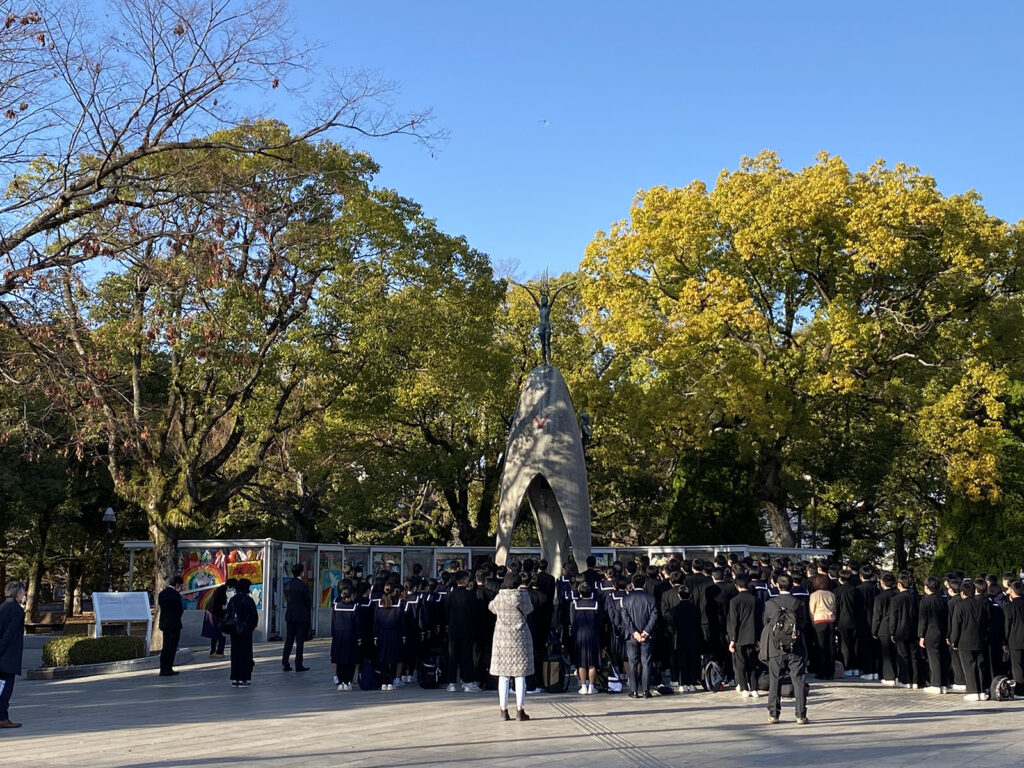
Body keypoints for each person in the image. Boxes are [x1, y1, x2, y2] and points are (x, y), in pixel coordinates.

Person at [760, 573, 809, 725]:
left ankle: (774, 714)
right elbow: (803, 623)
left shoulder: (770, 604)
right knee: (798, 679)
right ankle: (800, 715)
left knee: (775, 679)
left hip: (776, 647)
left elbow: (765, 622)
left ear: (777, 585)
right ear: (792, 586)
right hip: (795, 646)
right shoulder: (798, 603)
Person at [488, 572, 535, 721]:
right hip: (520, 638)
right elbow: (530, 609)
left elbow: (491, 607)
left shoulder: (499, 596)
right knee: (520, 675)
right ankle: (520, 710)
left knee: (503, 676)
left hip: (502, 638)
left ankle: (503, 710)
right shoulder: (523, 595)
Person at [949, 579, 990, 701]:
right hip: (980, 640)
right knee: (980, 666)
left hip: (965, 641)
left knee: (969, 667)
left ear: (962, 593)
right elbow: (987, 622)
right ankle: (982, 691)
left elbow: (956, 625)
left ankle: (973, 691)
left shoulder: (960, 605)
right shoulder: (981, 604)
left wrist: (953, 640)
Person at [622, 573, 657, 698]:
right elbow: (654, 615)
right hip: (646, 635)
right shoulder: (650, 598)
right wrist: (646, 631)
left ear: (632, 584)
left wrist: (634, 632)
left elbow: (625, 616)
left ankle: (634, 690)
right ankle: (646, 690)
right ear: (644, 584)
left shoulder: (627, 598)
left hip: (632, 636)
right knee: (646, 662)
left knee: (632, 662)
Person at [727, 573, 763, 698]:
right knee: (752, 663)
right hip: (752, 635)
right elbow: (759, 621)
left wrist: (732, 639)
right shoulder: (755, 600)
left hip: (739, 637)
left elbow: (734, 621)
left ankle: (744, 688)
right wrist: (758, 638)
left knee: (741, 663)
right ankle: (754, 688)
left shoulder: (734, 601)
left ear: (736, 586)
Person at [446, 571, 481, 692]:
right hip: (467, 629)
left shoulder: (450, 595)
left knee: (453, 656)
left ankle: (451, 683)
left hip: (453, 629)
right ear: (465, 580)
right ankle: (468, 682)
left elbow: (446, 611)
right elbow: (475, 612)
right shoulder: (470, 595)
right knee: (467, 657)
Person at [918, 575, 950, 694]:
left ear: (927, 587)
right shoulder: (944, 600)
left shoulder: (925, 601)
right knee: (943, 657)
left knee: (933, 658)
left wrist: (921, 635)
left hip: (930, 632)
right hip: (943, 631)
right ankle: (944, 684)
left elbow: (923, 620)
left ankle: (936, 684)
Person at [0, 582, 26, 728]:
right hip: (7, 656)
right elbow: (9, 634)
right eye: (22, 593)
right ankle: (2, 717)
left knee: (0, 686)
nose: (24, 595)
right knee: (5, 688)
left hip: (3, 656)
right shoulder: (17, 610)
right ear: (17, 594)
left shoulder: (2, 607)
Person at [570, 581, 602, 694]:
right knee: (592, 662)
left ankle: (583, 686)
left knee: (581, 662)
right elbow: (599, 621)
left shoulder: (575, 604)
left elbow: (572, 622)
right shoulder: (595, 604)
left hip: (580, 635)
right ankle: (591, 686)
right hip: (593, 634)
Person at [890, 573, 920, 689]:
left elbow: (894, 617)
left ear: (899, 584)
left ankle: (905, 679)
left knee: (903, 655)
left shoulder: (896, 599)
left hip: (900, 630)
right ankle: (915, 680)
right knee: (913, 656)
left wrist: (892, 631)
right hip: (913, 629)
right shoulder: (915, 598)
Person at [227, 578, 258, 686]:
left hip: (234, 630)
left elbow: (229, 614)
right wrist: (251, 626)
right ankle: (244, 678)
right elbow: (254, 616)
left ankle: (235, 678)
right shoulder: (249, 600)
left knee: (235, 653)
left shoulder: (232, 599)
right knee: (246, 653)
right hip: (246, 630)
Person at [282, 563, 312, 672]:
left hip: (290, 615)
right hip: (301, 616)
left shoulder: (287, 585)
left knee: (289, 640)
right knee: (300, 641)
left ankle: (285, 662)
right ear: (302, 572)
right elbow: (308, 602)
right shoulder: (303, 586)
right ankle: (298, 664)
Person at [374, 584, 404, 690]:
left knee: (383, 658)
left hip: (382, 634)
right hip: (394, 634)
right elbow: (402, 622)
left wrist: (375, 636)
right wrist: (403, 635)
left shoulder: (379, 604)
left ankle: (384, 682)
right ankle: (391, 682)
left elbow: (375, 621)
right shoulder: (398, 604)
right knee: (393, 658)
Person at [331, 585, 361, 690]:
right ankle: (348, 681)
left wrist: (333, 635)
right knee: (350, 659)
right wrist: (359, 637)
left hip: (338, 636)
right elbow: (357, 623)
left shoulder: (336, 606)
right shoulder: (354, 607)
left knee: (339, 659)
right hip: (350, 635)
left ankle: (341, 682)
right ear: (351, 595)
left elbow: (333, 623)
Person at [808, 573, 836, 680]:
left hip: (819, 620)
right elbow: (834, 609)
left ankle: (821, 671)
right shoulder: (831, 594)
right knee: (830, 646)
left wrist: (813, 623)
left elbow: (812, 611)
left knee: (821, 646)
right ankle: (830, 672)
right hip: (830, 620)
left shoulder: (814, 595)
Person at [157, 575, 185, 677]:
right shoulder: (176, 595)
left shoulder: (162, 594)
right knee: (172, 646)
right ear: (177, 584)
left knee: (165, 646)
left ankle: (163, 668)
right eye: (180, 585)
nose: (180, 588)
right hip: (174, 623)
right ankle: (169, 668)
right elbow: (180, 610)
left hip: (164, 623)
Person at [203, 578, 236, 658]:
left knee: (215, 634)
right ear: (231, 586)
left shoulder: (220, 590)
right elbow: (219, 606)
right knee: (218, 634)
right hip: (214, 614)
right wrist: (223, 614)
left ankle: (213, 651)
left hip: (212, 612)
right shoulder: (221, 592)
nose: (233, 589)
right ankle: (218, 652)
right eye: (233, 587)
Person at [1004, 581, 1024, 696]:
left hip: (1015, 639)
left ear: (1011, 591)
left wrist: (1005, 641)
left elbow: (1007, 625)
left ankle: (1020, 691)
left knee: (1017, 666)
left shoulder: (1009, 607)